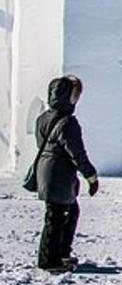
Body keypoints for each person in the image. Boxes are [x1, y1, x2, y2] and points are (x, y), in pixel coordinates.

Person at [34, 75, 99, 272]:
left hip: (46, 170)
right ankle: (49, 260)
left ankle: (61, 254)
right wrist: (91, 175)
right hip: (59, 173)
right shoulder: (68, 123)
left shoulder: (42, 117)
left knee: (67, 212)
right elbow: (77, 153)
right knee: (57, 216)